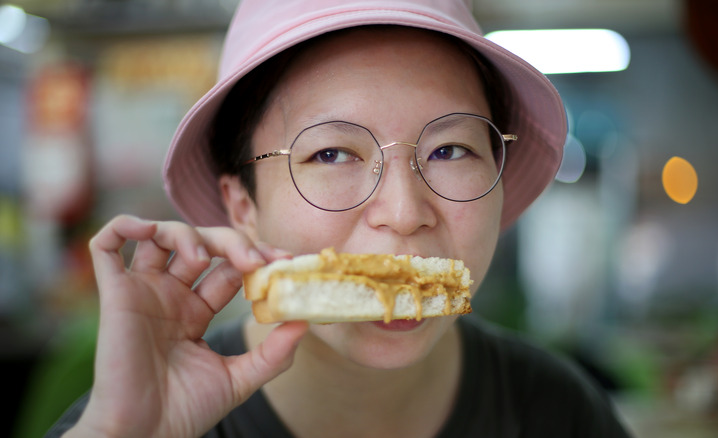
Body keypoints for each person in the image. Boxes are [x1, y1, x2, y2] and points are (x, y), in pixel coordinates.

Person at [48, 0, 632, 436]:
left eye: (451, 150)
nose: (404, 214)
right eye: (332, 154)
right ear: (243, 207)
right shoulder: (138, 420)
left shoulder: (558, 411)